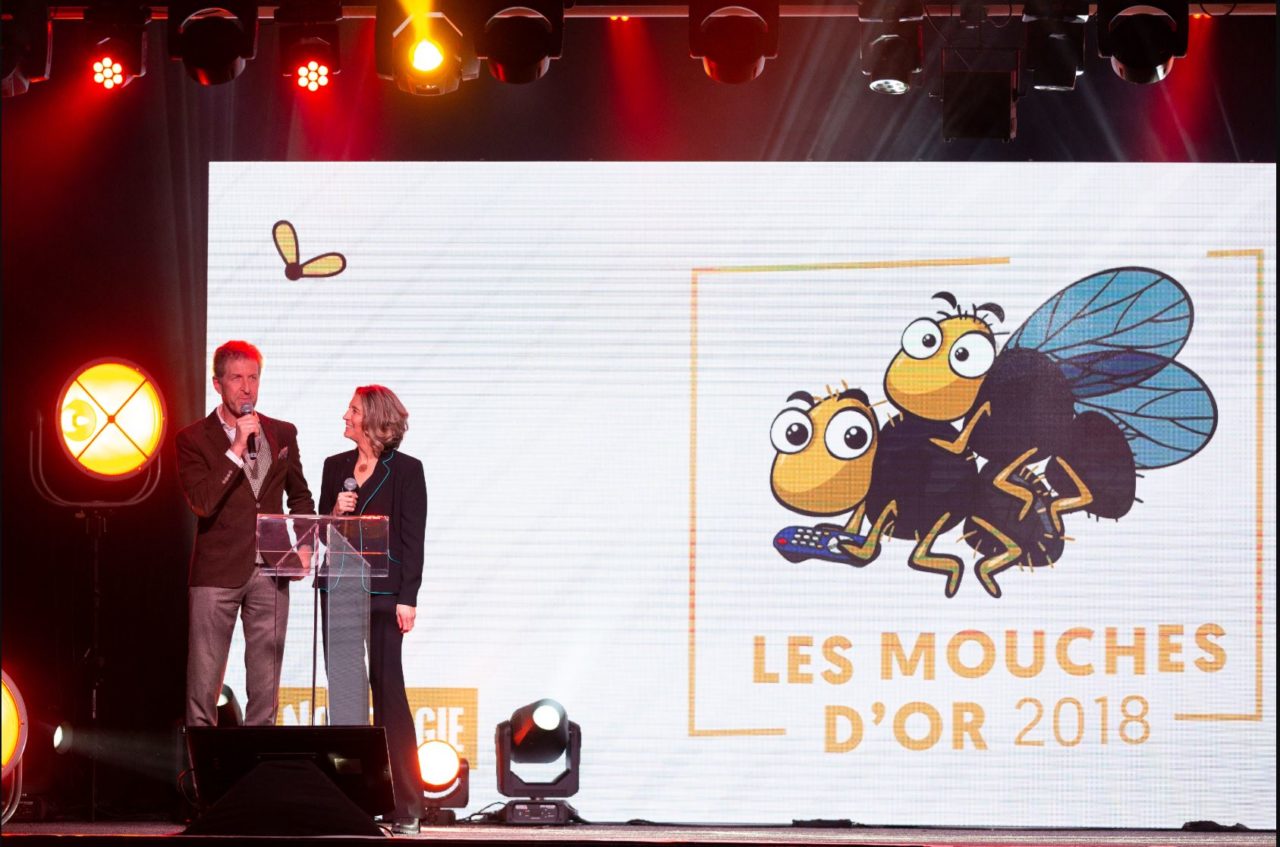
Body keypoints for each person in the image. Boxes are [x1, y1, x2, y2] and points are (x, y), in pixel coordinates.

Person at [176, 340, 315, 727]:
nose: (247, 388)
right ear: (217, 384)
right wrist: (236, 447)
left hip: (272, 568)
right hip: (217, 572)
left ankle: (258, 762)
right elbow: (202, 503)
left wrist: (304, 547)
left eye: (253, 378)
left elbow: (300, 496)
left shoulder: (282, 432)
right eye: (237, 378)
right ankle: (204, 763)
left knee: (266, 688)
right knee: (204, 683)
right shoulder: (192, 439)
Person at [318, 385, 426, 834]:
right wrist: (334, 512)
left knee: (387, 691)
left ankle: (406, 805)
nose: (345, 416)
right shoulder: (335, 467)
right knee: (345, 696)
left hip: (386, 593)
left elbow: (412, 537)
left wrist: (408, 597)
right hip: (340, 588)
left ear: (374, 419)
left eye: (353, 410)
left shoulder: (407, 471)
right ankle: (355, 801)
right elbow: (322, 533)